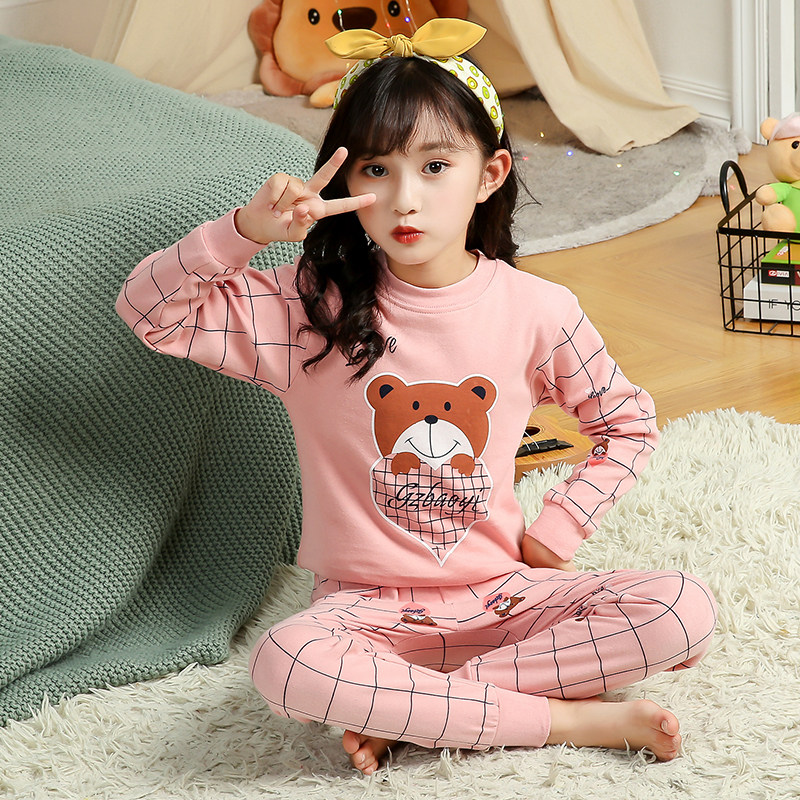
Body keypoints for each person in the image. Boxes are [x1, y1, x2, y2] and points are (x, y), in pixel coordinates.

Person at [116, 19, 717, 776]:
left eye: (435, 166)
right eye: (377, 169)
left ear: (490, 174)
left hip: (504, 596)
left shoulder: (538, 309)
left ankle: (416, 712)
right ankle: (561, 721)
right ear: (346, 183)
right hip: (363, 615)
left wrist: (557, 531)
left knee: (684, 609)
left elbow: (627, 422)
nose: (404, 199)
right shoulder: (309, 310)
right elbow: (150, 310)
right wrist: (244, 230)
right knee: (286, 664)